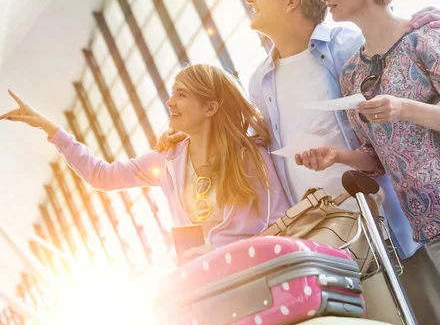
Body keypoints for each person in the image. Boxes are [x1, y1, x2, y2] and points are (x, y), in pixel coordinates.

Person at [295, 0, 440, 325]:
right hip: (429, 224)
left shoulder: (424, 40)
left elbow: (410, 116)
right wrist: (336, 157)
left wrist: (403, 109)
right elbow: (376, 160)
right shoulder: (353, 73)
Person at [0, 64, 288, 260]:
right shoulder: (168, 160)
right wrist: (51, 130)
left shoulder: (248, 156)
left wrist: (227, 254)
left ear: (210, 107)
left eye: (182, 94)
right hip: (201, 293)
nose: (169, 102)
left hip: (249, 282)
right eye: (173, 93)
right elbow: (103, 176)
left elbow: (280, 222)